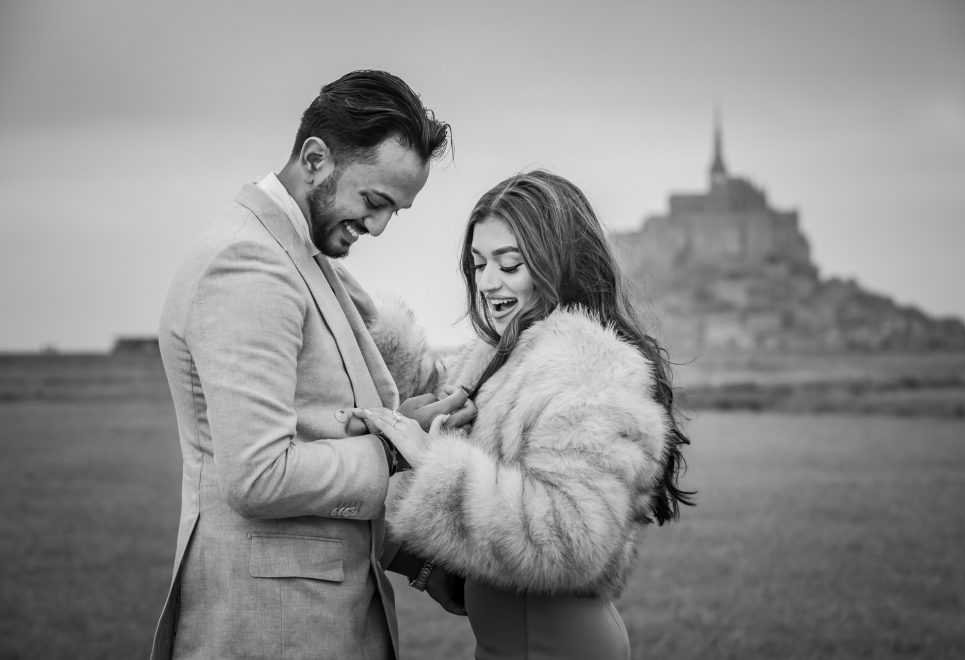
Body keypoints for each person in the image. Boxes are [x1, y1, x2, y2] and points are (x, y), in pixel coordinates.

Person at [151, 70, 475, 660]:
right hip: (270, 629)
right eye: (374, 201)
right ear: (316, 157)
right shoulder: (248, 264)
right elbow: (258, 475)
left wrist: (403, 417)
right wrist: (400, 448)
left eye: (393, 213)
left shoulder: (299, 253)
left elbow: (319, 417)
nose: (377, 226)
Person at [356, 170, 693, 660]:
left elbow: (572, 538)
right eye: (478, 264)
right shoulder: (506, 352)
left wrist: (437, 467)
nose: (488, 282)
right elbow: (447, 402)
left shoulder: (587, 369)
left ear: (557, 262)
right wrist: (370, 329)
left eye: (509, 264)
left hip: (556, 646)